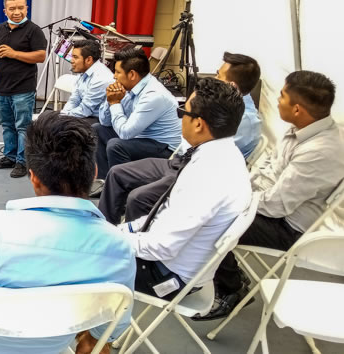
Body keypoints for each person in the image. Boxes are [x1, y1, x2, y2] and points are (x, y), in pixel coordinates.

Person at [0, 112, 136, 354]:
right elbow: (116, 322)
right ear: (94, 172)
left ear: (34, 178)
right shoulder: (119, 246)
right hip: (54, 346)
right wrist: (93, 336)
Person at [194, 70, 344, 320]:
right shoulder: (302, 128)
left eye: (282, 96)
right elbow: (267, 167)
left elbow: (276, 206)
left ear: (297, 109)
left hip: (285, 227)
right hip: (266, 206)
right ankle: (226, 273)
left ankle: (231, 288)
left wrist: (235, 199)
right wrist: (238, 189)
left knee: (208, 220)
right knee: (208, 202)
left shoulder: (320, 151)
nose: (277, 100)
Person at [118, 78, 250, 301]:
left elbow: (160, 247)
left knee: (78, 257)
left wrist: (108, 238)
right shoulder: (227, 155)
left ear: (198, 124)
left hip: (162, 276)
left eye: (183, 112)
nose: (180, 118)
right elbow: (163, 216)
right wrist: (123, 229)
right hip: (177, 266)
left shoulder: (208, 175)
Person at [98, 52, 262, 223]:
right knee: (117, 172)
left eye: (219, 75)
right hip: (182, 159)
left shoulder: (243, 121)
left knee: (138, 197)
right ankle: (103, 226)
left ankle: (131, 234)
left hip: (195, 172)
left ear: (231, 85)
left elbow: (211, 162)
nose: (215, 78)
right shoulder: (222, 106)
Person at [0, 0, 47, 178]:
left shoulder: (34, 30)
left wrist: (14, 54)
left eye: (20, 8)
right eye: (12, 9)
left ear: (27, 8)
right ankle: (10, 156)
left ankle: (22, 161)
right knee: (7, 125)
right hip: (2, 87)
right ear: (5, 11)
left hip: (23, 88)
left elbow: (40, 56)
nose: (17, 12)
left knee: (23, 126)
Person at [93, 47, 181, 179]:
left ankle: (121, 186)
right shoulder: (131, 87)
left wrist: (115, 103)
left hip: (164, 148)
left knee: (116, 145)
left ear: (132, 75)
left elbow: (125, 133)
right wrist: (110, 99)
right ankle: (104, 181)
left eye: (117, 72)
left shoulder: (154, 95)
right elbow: (104, 122)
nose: (114, 76)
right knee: (97, 129)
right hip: (141, 138)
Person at [59, 39, 114, 124]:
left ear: (88, 60)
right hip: (85, 115)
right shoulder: (84, 72)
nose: (71, 60)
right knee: (46, 117)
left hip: (98, 120)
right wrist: (63, 114)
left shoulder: (101, 78)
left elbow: (85, 109)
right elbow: (74, 100)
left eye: (75, 57)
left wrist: (62, 118)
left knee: (59, 125)